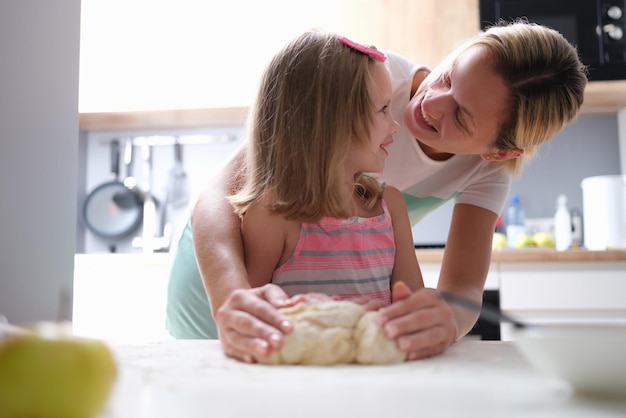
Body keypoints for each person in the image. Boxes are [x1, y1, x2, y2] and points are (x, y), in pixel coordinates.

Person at [166, 20, 587, 363]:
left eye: (460, 116)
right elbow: (218, 195)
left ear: (498, 152)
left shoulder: (484, 173)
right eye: (448, 76)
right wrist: (233, 297)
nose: (430, 103)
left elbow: (461, 291)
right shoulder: (375, 80)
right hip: (216, 274)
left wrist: (445, 319)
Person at [228, 31, 423, 323]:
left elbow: (413, 310)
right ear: (330, 123)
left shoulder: (389, 207)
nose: (394, 125)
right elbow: (252, 321)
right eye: (383, 109)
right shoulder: (272, 216)